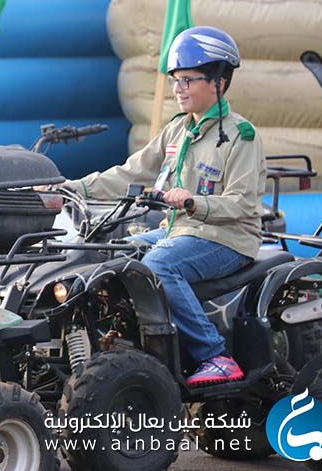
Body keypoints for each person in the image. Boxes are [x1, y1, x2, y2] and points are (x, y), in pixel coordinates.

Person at [64, 26, 265, 387]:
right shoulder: (177, 130)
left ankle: (215, 355)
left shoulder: (242, 136)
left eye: (188, 80)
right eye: (175, 80)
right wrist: (73, 187)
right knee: (112, 253)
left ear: (218, 82)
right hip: (179, 231)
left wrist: (191, 201)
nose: (178, 89)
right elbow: (131, 171)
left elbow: (242, 204)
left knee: (159, 264)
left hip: (228, 239)